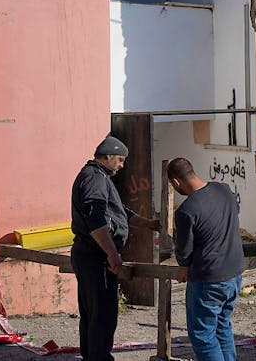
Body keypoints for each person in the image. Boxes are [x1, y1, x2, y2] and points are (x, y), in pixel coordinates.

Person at [70, 135, 161, 361]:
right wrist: (111, 253)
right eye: (119, 160)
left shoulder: (98, 177)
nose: (121, 166)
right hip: (95, 256)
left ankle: (92, 356)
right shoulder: (95, 179)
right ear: (108, 156)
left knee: (93, 311)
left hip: (90, 254)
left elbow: (119, 212)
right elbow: (96, 218)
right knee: (102, 314)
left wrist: (148, 224)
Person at [167, 158, 246, 361]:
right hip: (235, 273)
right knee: (222, 326)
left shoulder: (186, 211)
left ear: (176, 182)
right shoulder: (224, 190)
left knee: (203, 336)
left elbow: (184, 250)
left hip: (209, 279)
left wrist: (183, 266)